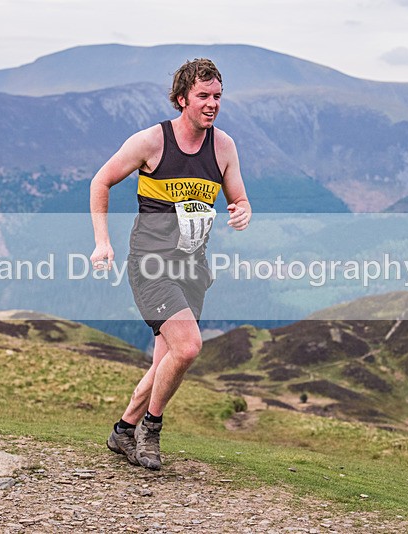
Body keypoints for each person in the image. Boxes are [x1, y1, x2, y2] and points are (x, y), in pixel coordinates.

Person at [89, 58, 250, 470]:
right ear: (182, 99)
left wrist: (242, 211)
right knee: (190, 346)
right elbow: (101, 181)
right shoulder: (151, 142)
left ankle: (123, 431)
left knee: (165, 361)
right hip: (152, 265)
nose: (212, 104)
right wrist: (102, 243)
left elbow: (238, 198)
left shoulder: (224, 147)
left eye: (217, 96)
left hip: (193, 270)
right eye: (203, 96)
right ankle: (150, 429)